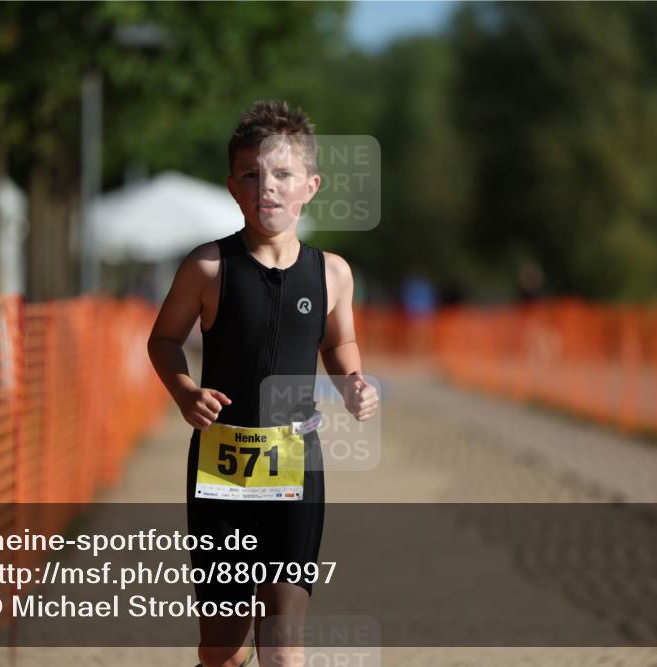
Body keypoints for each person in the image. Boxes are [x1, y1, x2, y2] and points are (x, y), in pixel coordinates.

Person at [147, 100, 379, 667]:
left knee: (282, 645)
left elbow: (337, 343)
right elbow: (162, 340)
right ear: (233, 187)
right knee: (222, 649)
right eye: (251, 175)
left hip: (296, 466)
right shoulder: (207, 267)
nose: (266, 188)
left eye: (282, 175)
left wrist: (352, 381)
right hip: (220, 473)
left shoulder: (333, 273)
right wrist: (184, 392)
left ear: (310, 185)